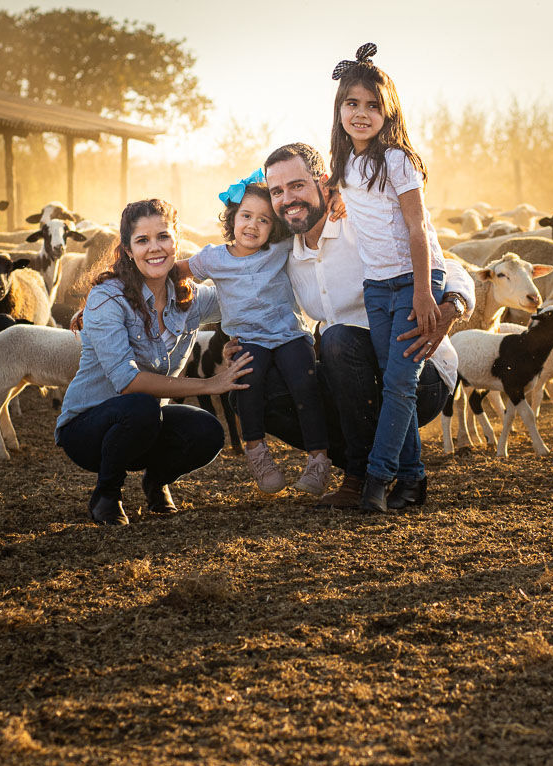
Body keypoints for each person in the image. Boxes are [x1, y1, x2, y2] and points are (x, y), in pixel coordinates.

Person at [257, 141, 474, 509]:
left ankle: (360, 477)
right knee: (262, 388)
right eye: (277, 191)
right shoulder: (285, 254)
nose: (287, 198)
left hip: (419, 370)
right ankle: (372, 464)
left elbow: (444, 263)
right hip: (350, 379)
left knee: (338, 340)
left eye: (297, 186)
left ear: (325, 184)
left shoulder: (358, 221)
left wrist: (453, 304)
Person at [55, 198, 253, 526]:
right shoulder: (108, 298)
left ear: (177, 241)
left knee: (207, 430)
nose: (154, 248)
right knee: (141, 405)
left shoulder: (191, 299)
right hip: (88, 428)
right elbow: (127, 381)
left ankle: (156, 480)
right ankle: (106, 494)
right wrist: (208, 384)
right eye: (142, 240)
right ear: (129, 251)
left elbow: (245, 297)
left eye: (163, 237)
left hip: (144, 423)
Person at [328, 42, 448, 513]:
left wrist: (423, 291)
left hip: (415, 281)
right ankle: (414, 479)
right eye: (352, 104)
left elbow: (417, 228)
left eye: (372, 106)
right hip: (376, 286)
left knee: (400, 382)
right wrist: (334, 196)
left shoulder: (397, 159)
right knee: (390, 380)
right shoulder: (344, 164)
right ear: (339, 110)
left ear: (388, 112)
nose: (361, 114)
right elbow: (347, 193)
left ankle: (377, 479)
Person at [183, 173, 330, 496]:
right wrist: (114, 290)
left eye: (263, 220)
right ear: (232, 218)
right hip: (248, 339)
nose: (253, 225)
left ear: (273, 227)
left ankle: (319, 457)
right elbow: (173, 273)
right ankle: (257, 452)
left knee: (305, 383)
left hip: (290, 334)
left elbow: (317, 227)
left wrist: (337, 202)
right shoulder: (213, 258)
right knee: (246, 381)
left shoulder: (279, 248)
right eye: (245, 216)